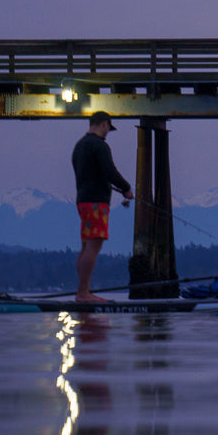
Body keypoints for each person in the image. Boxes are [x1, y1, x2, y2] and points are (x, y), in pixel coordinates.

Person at [71, 111, 134, 302]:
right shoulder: (99, 146)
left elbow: (91, 173)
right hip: (96, 203)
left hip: (83, 200)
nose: (108, 132)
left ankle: (84, 291)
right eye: (108, 128)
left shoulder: (80, 146)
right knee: (93, 246)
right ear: (104, 124)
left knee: (85, 247)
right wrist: (126, 188)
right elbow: (109, 171)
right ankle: (83, 293)